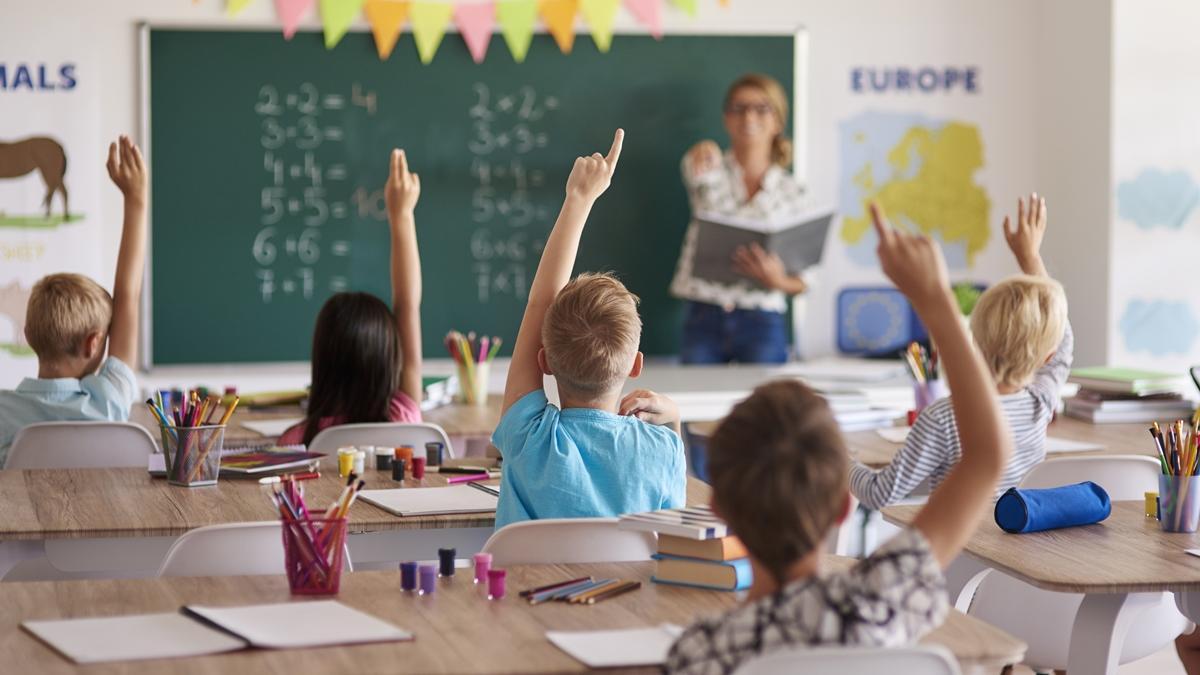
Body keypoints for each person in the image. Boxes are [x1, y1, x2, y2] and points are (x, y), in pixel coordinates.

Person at [665, 203, 1013, 673]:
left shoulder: (702, 653)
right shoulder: (880, 602)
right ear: (843, 505)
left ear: (720, 511)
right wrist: (936, 302)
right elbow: (988, 456)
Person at [491, 130, 687, 530]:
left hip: (523, 594)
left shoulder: (530, 439)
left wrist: (577, 201)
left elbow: (538, 304)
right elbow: (672, 535)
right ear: (635, 364)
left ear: (543, 361)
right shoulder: (661, 450)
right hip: (628, 594)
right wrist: (674, 421)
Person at [851, 194, 1072, 509]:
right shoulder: (1041, 404)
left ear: (975, 339)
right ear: (1047, 356)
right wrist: (1030, 257)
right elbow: (1063, 342)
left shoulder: (944, 417)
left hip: (959, 552)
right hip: (1014, 551)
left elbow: (878, 493)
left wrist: (841, 460)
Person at [0, 136, 147, 465]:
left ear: (27, 335)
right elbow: (129, 296)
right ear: (95, 343)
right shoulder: (107, 402)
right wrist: (136, 198)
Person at [279, 149, 424, 446]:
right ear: (390, 359)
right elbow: (407, 304)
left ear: (322, 360)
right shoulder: (403, 418)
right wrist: (402, 215)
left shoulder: (298, 442)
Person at [670, 74, 808, 364]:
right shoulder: (709, 168)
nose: (748, 117)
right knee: (697, 403)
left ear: (778, 121)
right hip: (704, 313)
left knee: (767, 407)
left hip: (762, 319)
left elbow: (805, 280)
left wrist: (778, 280)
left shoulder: (793, 192)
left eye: (761, 108)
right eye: (739, 108)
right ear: (726, 118)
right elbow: (691, 168)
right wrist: (703, 149)